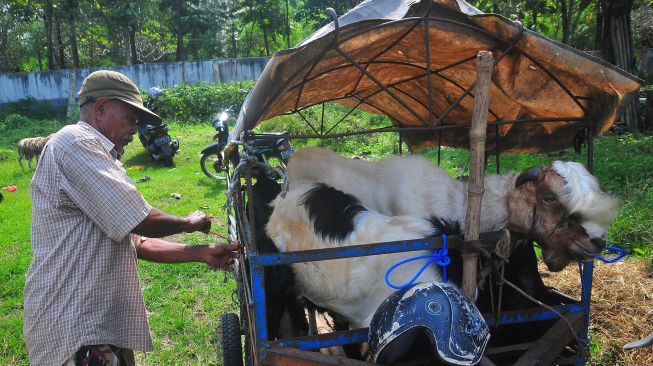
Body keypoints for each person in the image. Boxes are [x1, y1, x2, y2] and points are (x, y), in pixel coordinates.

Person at [23, 70, 239, 366]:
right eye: (131, 119)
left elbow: (138, 242)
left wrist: (203, 253)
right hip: (74, 325)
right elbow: (141, 220)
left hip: (99, 325)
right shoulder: (74, 142)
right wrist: (188, 223)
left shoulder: (103, 157)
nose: (135, 130)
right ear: (100, 108)